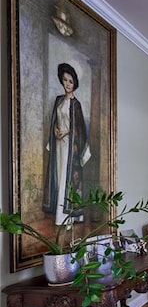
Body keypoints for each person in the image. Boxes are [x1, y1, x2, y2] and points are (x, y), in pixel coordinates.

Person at [43, 63, 91, 225]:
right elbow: (55, 121)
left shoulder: (76, 104)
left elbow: (79, 128)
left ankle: (67, 216)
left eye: (70, 81)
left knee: (67, 175)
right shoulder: (58, 101)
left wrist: (67, 132)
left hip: (71, 147)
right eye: (65, 80)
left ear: (75, 83)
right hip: (58, 144)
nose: (67, 84)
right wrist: (56, 130)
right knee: (58, 174)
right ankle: (59, 213)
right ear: (61, 80)